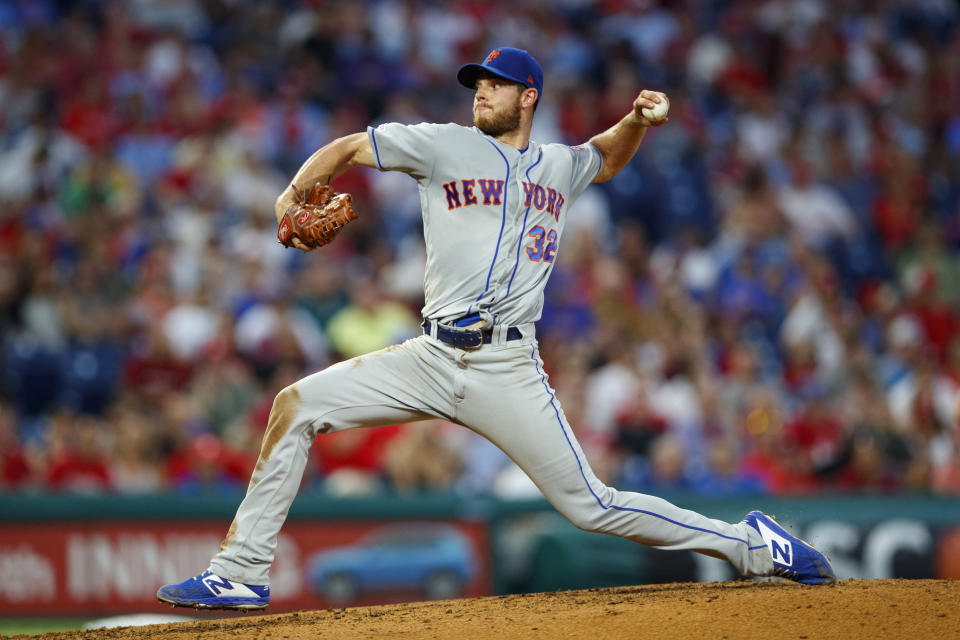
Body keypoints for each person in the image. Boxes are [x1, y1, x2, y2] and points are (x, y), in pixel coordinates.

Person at [158, 47, 835, 610]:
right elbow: (347, 147)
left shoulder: (558, 167)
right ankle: (242, 571)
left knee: (591, 506)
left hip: (508, 369)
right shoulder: (443, 146)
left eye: (496, 84)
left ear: (529, 97)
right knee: (295, 406)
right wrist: (291, 194)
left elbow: (606, 155)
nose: (481, 92)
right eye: (477, 83)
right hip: (429, 353)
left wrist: (635, 118)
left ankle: (754, 545)